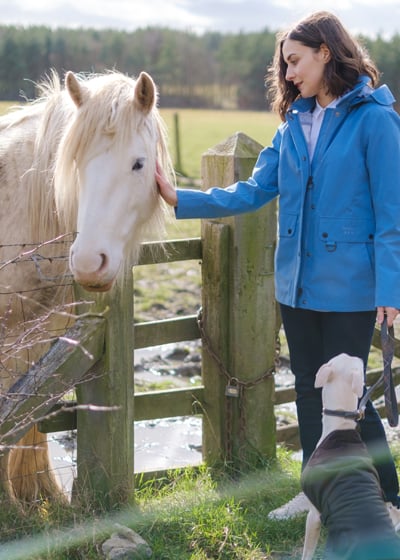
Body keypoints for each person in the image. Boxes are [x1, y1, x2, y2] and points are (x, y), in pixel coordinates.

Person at [156, 10, 400, 518]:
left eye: (295, 61)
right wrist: (179, 197)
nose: (288, 74)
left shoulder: (375, 120)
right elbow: (251, 191)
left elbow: (391, 215)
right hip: (296, 287)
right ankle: (316, 494)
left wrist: (391, 290)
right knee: (311, 392)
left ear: (325, 53)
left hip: (353, 287)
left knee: (348, 396)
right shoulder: (293, 127)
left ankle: (388, 497)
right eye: (284, 65)